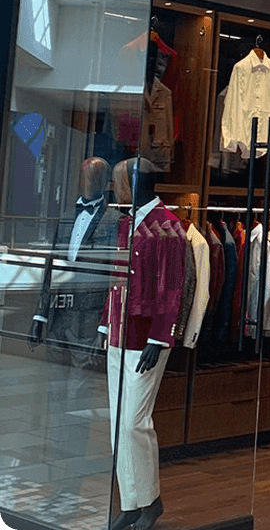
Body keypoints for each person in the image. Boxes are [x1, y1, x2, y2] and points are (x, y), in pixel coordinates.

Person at [94, 158, 187, 530]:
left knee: (135, 422)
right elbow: (116, 278)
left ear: (138, 181)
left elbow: (173, 287)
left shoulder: (168, 226)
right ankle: (131, 502)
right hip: (119, 333)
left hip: (145, 338)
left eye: (121, 181)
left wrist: (159, 337)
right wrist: (105, 324)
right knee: (119, 425)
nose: (117, 188)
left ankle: (151, 500)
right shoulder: (125, 224)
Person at [28, 155, 118, 362]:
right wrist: (40, 316)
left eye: (97, 177)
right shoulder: (67, 216)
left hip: (90, 321)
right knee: (53, 377)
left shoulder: (114, 221)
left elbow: (115, 277)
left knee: (81, 378)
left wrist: (104, 328)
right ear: (80, 180)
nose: (91, 182)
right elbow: (51, 267)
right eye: (87, 177)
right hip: (58, 315)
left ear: (105, 183)